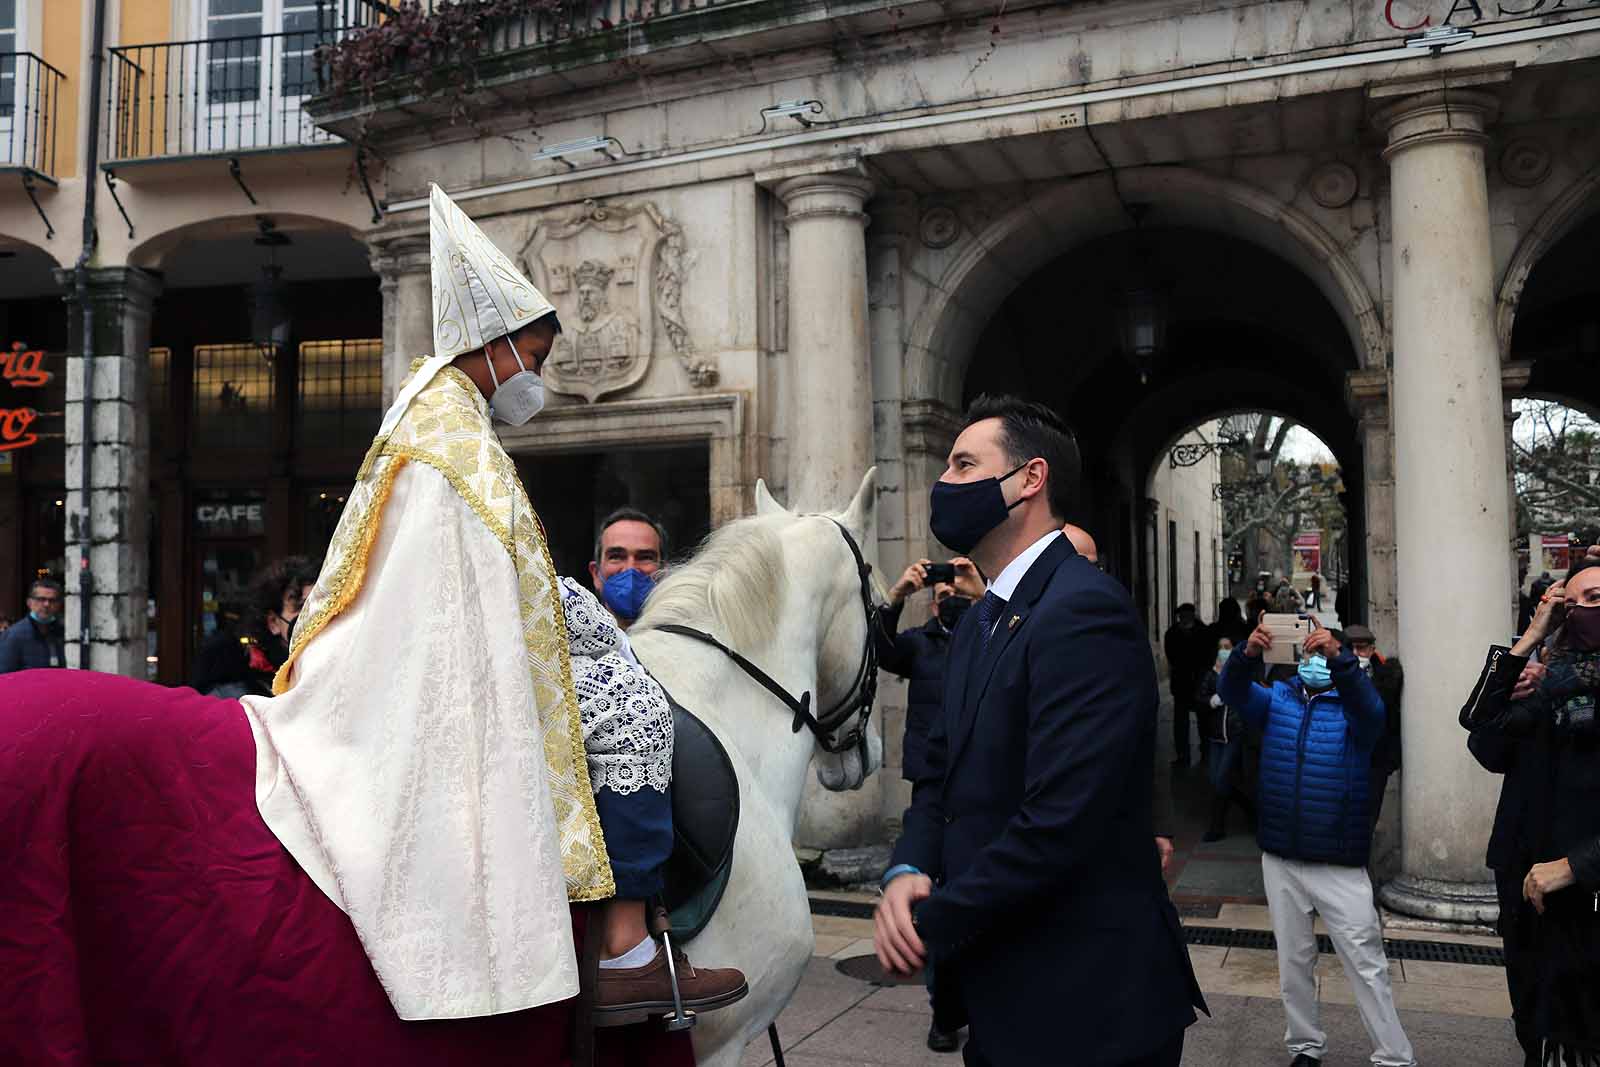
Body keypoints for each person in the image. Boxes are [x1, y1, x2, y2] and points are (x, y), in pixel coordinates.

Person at [245, 183, 743, 1024]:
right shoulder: (457, 432)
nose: (538, 376)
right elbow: (495, 577)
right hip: (436, 656)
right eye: (537, 357)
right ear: (496, 344)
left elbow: (501, 567)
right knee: (634, 708)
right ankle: (625, 947)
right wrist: (581, 619)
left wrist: (573, 607)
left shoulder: (435, 413)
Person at [874, 394, 1204, 1067]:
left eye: (965, 463)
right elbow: (940, 774)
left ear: (1030, 479)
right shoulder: (977, 621)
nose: (945, 483)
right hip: (1003, 991)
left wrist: (927, 923)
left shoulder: (1084, 609)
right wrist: (909, 865)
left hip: (1088, 1008)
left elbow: (1062, 819)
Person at [1220, 615, 1415, 1067]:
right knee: (1293, 962)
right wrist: (1246, 654)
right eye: (1308, 652)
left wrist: (1339, 656)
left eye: (1320, 653)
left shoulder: (1356, 707)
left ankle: (1394, 1056)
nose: (1314, 661)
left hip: (1337, 860)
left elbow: (1372, 713)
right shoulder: (1278, 700)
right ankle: (1305, 1046)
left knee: (1366, 963)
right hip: (1282, 855)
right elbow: (1233, 691)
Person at [1459, 562, 1600, 1065]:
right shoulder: (1544, 683)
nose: (1590, 610)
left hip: (1584, 889)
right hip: (1525, 882)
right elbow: (1481, 736)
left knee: (1581, 1027)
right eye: (1580, 600)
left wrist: (1577, 868)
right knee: (1532, 1015)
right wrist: (1525, 646)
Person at [877, 555, 979, 1054]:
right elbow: (878, 649)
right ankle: (945, 1009)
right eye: (941, 595)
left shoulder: (989, 630)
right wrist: (896, 594)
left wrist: (984, 598)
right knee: (936, 899)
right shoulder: (920, 643)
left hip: (981, 778)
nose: (949, 599)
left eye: (956, 592)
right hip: (934, 780)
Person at [191, 556, 320, 699]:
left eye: (319, 606)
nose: (313, 615)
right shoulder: (239, 695)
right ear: (273, 622)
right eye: (300, 606)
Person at [1344, 624, 1404, 830]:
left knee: (1367, 821)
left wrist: (1388, 761)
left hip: (1374, 762)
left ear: (1371, 649)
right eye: (1349, 649)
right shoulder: (1332, 675)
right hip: (1341, 759)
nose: (1355, 654)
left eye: (1360, 648)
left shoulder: (1386, 677)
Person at [1196, 636, 1253, 843]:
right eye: (1220, 647)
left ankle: (1216, 827)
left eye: (1227, 647)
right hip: (1215, 737)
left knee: (1221, 780)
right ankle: (1250, 808)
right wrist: (1211, 701)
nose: (1224, 650)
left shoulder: (1239, 673)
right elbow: (1199, 700)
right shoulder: (1210, 675)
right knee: (1216, 780)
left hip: (1234, 735)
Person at [589, 507, 667, 629]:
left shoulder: (685, 644)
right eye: (616, 557)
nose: (630, 569)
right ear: (596, 574)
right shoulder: (569, 645)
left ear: (663, 573)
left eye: (645, 557)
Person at [1164, 603, 1212, 767]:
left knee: (1203, 720)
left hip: (1199, 682)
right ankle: (1183, 755)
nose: (1184, 618)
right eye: (1181, 615)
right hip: (1182, 683)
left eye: (1186, 615)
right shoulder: (1172, 633)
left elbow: (1208, 656)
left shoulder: (1204, 632)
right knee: (1181, 722)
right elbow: (1171, 656)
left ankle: (1206, 752)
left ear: (1192, 615)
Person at [0, 578, 65, 674]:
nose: (46, 604)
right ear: (29, 603)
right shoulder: (14, 635)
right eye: (41, 599)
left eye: (52, 600)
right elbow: (5, 676)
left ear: (59, 605)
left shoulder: (61, 633)